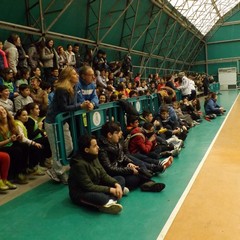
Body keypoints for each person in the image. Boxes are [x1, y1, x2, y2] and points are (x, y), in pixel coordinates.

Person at [98, 121, 167, 192]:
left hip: (121, 168)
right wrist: (129, 170)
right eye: (117, 133)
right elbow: (110, 169)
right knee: (133, 178)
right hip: (114, 174)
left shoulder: (116, 143)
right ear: (109, 135)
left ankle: (148, 182)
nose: (120, 134)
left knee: (138, 167)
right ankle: (148, 179)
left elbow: (123, 156)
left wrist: (130, 163)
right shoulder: (103, 150)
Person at [68, 135, 124, 214]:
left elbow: (103, 175)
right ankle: (109, 199)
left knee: (120, 179)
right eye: (94, 146)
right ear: (87, 150)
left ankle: (110, 201)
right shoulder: (78, 164)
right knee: (101, 198)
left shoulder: (94, 156)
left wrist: (116, 184)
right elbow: (88, 186)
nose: (98, 147)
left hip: (96, 183)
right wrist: (110, 190)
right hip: (81, 192)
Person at [44, 66, 81, 184]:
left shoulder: (74, 88)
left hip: (63, 121)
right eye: (75, 74)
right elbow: (63, 107)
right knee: (56, 150)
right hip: (53, 122)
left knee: (69, 146)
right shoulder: (61, 89)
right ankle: (59, 172)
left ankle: (55, 169)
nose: (77, 76)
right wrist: (80, 106)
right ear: (68, 77)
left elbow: (74, 104)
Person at [0, 106, 29, 184]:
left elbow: (16, 135)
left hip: (11, 143)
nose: (2, 112)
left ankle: (22, 170)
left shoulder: (11, 122)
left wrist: (18, 137)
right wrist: (9, 140)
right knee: (17, 151)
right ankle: (14, 174)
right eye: (0, 111)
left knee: (24, 146)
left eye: (3, 109)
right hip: (3, 147)